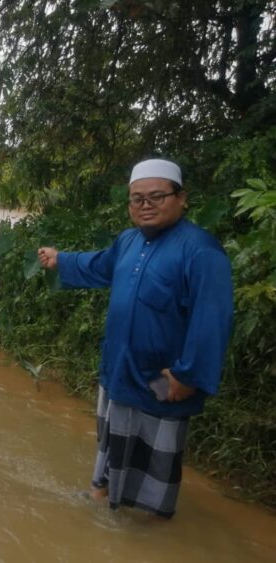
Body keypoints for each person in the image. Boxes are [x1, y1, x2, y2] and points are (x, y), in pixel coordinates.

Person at [37, 158, 233, 518]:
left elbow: (212, 319)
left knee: (155, 441)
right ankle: (104, 495)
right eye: (137, 199)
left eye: (156, 196)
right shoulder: (128, 241)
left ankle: (146, 520)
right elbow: (99, 265)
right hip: (120, 366)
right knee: (116, 431)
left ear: (181, 197)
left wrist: (187, 375)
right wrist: (61, 260)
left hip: (164, 376)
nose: (145, 205)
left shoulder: (201, 250)